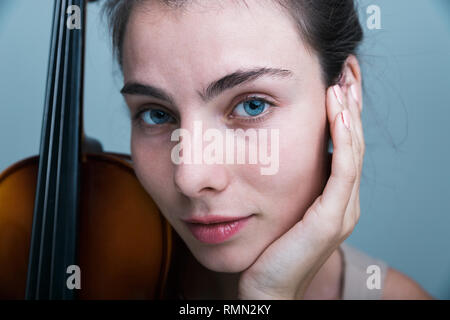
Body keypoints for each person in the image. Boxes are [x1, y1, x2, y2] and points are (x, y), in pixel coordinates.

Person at [102, 0, 433, 299]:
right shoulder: (97, 270)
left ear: (345, 92)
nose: (189, 177)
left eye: (252, 106)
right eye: (156, 114)